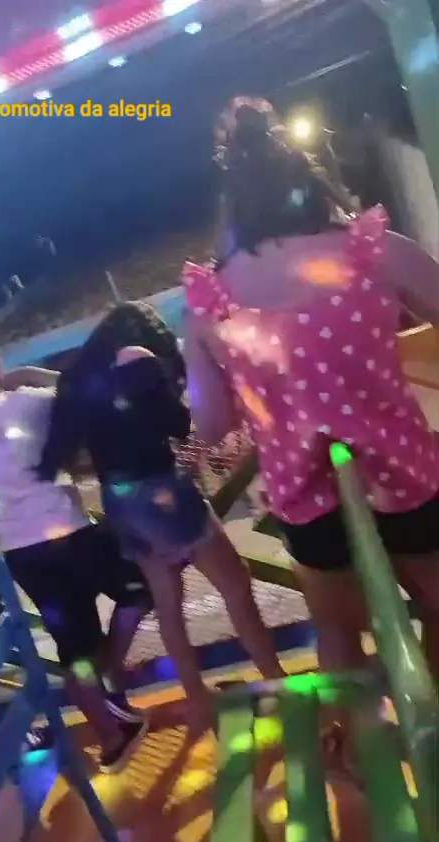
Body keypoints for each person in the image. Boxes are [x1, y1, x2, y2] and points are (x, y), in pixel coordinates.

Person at [181, 98, 439, 689]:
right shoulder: (374, 250)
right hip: (405, 470)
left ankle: (363, 734)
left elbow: (212, 424)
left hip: (305, 493)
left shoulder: (211, 302)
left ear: (232, 206)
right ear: (308, 181)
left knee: (339, 633)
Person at [37, 300, 284, 727]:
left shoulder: (80, 377)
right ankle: (276, 682)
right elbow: (179, 424)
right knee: (236, 584)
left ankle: (198, 699)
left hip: (119, 501)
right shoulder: (139, 359)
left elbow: (74, 447)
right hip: (161, 492)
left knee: (169, 604)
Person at [0, 323, 152, 772]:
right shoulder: (27, 403)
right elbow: (77, 393)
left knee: (73, 646)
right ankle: (110, 671)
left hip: (23, 552)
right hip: (69, 532)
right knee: (139, 589)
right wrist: (30, 373)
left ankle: (111, 738)